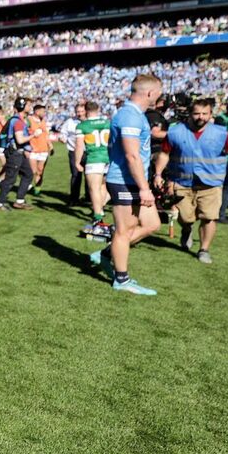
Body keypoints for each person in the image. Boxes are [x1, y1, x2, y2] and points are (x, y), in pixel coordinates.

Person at [89, 74, 164, 296]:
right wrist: (144, 188)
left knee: (152, 224)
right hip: (125, 181)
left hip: (131, 180)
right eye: (159, 92)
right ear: (150, 93)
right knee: (124, 231)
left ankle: (105, 254)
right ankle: (121, 279)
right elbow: (132, 156)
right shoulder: (130, 116)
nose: (161, 96)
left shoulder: (134, 114)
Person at [155, 98, 228, 263]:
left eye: (204, 113)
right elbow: (164, 153)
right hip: (183, 184)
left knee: (209, 217)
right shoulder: (175, 132)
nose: (200, 117)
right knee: (186, 218)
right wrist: (158, 173)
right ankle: (187, 230)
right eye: (196, 113)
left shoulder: (221, 133)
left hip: (211, 185)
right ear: (190, 114)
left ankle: (204, 249)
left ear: (210, 114)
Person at [76, 101, 112, 232]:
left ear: (85, 110)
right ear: (99, 109)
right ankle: (100, 210)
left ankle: (97, 217)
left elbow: (80, 146)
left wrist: (77, 161)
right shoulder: (107, 122)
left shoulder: (82, 126)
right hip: (108, 157)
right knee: (103, 186)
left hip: (94, 158)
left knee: (94, 188)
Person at [0, 97, 34, 210]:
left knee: (28, 174)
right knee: (10, 178)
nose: (30, 107)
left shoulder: (20, 120)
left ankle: (20, 200)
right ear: (23, 106)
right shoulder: (18, 121)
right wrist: (34, 135)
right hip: (15, 153)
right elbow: (20, 140)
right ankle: (1, 203)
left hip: (19, 153)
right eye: (28, 105)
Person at [61, 102, 86, 203]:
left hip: (88, 152)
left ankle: (89, 197)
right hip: (74, 151)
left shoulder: (89, 122)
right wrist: (62, 138)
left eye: (81, 111)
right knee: (76, 175)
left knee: (89, 175)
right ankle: (74, 198)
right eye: (77, 111)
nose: (79, 113)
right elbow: (63, 133)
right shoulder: (70, 122)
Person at [27, 103, 52, 195]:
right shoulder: (28, 120)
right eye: (43, 111)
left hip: (43, 150)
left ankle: (37, 188)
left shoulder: (43, 121)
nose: (44, 113)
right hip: (33, 150)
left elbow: (46, 135)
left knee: (40, 171)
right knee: (32, 171)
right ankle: (28, 184)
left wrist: (50, 146)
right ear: (37, 112)